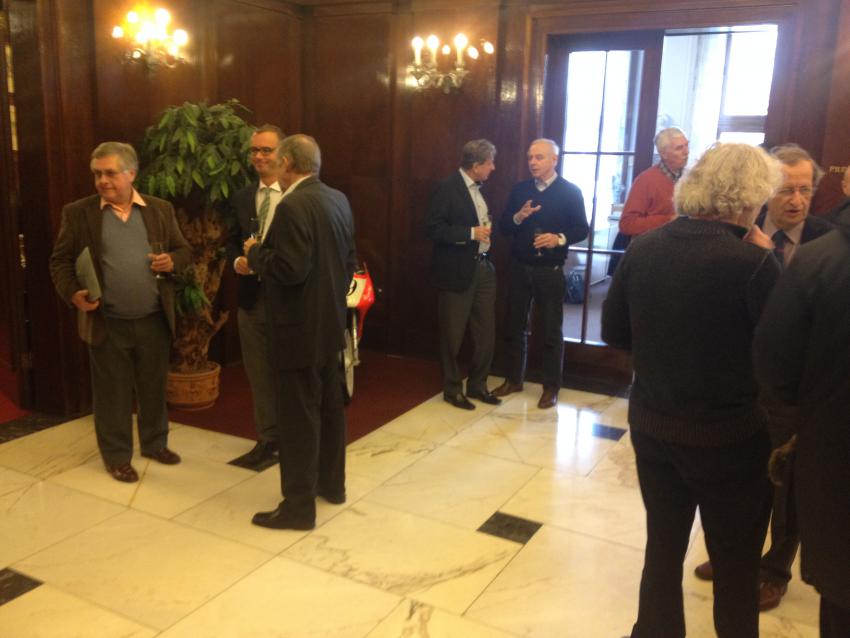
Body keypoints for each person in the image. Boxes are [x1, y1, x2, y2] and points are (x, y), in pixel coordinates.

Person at [601, 143, 783, 638]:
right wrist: (771, 263)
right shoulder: (753, 264)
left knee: (662, 547)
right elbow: (782, 355)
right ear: (749, 199)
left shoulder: (644, 248)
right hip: (731, 438)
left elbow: (615, 333)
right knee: (736, 562)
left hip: (653, 427)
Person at [692, 143, 833, 611]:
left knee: (786, 487)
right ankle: (735, 556)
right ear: (763, 190)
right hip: (740, 382)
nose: (796, 200)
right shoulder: (735, 235)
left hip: (799, 388)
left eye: (805, 190)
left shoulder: (829, 242)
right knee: (740, 478)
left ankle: (775, 571)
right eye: (786, 189)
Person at [49, 142, 190, 483]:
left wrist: (172, 261)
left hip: (154, 319)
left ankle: (155, 444)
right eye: (97, 174)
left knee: (153, 388)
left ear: (131, 174)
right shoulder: (78, 213)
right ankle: (116, 457)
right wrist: (73, 293)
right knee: (112, 394)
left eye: (110, 173)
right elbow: (60, 261)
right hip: (107, 321)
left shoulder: (159, 209)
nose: (102, 180)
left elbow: (184, 251)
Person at [244, 134, 356, 530]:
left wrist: (254, 254)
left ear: (288, 163)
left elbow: (290, 269)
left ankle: (297, 508)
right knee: (329, 411)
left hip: (297, 330)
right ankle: (332, 485)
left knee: (297, 419)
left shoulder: (292, 205)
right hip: (329, 325)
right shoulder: (337, 198)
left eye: (275, 157)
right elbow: (348, 261)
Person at [753, 204, 850, 638]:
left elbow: (775, 364)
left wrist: (811, 413)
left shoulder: (818, 256)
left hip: (834, 448)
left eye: (805, 188)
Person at [491, 138, 589, 409]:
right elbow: (504, 228)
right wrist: (518, 217)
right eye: (530, 157)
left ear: (554, 160)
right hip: (520, 268)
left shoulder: (571, 192)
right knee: (514, 325)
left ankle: (550, 387)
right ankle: (514, 380)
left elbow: (582, 229)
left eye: (539, 157)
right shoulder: (520, 190)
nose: (532, 162)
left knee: (550, 330)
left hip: (550, 270)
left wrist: (558, 238)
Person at [425, 139, 500, 410]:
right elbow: (433, 229)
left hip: (484, 268)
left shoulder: (480, 190)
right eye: (490, 162)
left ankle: (478, 385)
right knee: (452, 336)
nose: (493, 167)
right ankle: (452, 389)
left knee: (486, 333)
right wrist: (470, 233)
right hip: (456, 272)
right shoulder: (446, 188)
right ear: (476, 165)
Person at [227, 124, 285, 469]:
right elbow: (232, 240)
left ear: (283, 154)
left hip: (288, 301)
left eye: (266, 150)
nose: (259, 157)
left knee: (289, 374)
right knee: (259, 375)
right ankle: (267, 439)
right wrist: (238, 261)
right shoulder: (243, 197)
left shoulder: (296, 196)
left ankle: (296, 438)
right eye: (254, 151)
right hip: (252, 299)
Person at [618, 127, 689, 237]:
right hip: (653, 244)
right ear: (663, 154)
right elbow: (627, 224)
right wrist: (669, 220)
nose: (686, 152)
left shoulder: (693, 179)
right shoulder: (645, 181)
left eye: (687, 145)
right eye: (679, 148)